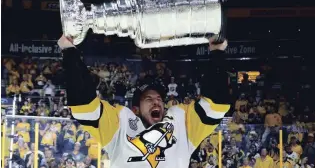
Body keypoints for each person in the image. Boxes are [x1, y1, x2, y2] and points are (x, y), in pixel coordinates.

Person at [58, 34, 231, 168]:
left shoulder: (181, 123)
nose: (156, 102)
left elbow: (216, 104)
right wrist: (70, 52)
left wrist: (217, 53)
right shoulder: (121, 124)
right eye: (148, 98)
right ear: (136, 109)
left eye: (158, 98)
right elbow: (84, 106)